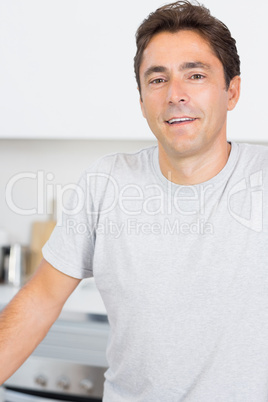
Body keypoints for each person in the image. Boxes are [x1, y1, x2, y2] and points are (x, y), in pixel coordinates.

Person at [1, 1, 268, 400]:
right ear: (142, 100)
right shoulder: (106, 181)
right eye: (157, 80)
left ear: (232, 91)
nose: (176, 95)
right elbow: (40, 299)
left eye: (195, 75)